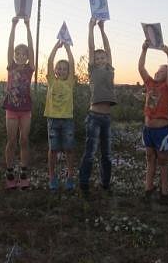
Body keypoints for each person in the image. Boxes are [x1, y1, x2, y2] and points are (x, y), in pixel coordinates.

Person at [79, 18, 117, 197]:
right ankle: (84, 183)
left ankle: (105, 183)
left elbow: (108, 49)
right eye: (98, 57)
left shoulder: (110, 69)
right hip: (94, 116)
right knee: (90, 153)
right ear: (94, 60)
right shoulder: (93, 70)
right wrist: (90, 27)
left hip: (107, 118)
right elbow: (91, 47)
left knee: (106, 155)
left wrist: (102, 29)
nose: (101, 59)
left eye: (103, 57)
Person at [138, 40, 168, 200]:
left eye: (163, 71)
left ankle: (165, 191)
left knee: (163, 160)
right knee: (149, 157)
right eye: (158, 71)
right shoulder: (150, 84)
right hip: (148, 130)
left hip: (162, 130)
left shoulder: (167, 86)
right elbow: (141, 68)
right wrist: (144, 50)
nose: (159, 73)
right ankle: (148, 187)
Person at [3, 16, 35, 189]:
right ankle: (9, 172)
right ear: (14, 56)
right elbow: (10, 45)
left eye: (24, 54)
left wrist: (29, 27)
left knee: (24, 140)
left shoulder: (30, 68)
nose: (21, 56)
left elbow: (31, 46)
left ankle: (23, 172)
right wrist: (14, 25)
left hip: (26, 109)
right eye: (18, 54)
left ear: (27, 56)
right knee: (11, 140)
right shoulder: (11, 66)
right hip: (11, 108)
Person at [44, 41, 75, 190]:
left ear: (68, 72)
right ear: (55, 71)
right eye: (59, 68)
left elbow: (72, 63)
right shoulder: (51, 80)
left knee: (69, 149)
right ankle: (52, 176)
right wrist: (56, 46)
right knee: (53, 150)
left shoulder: (70, 82)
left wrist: (68, 48)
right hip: (53, 120)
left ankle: (70, 176)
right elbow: (50, 61)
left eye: (65, 69)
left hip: (67, 120)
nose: (62, 71)